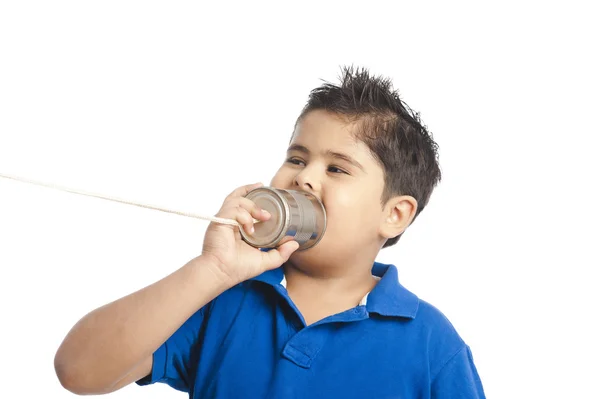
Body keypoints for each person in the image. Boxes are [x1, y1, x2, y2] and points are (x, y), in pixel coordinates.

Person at [54, 66, 486, 398]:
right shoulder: (223, 300)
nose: (304, 178)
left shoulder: (431, 344)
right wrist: (213, 270)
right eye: (297, 159)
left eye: (336, 168)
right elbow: (78, 370)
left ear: (394, 215)